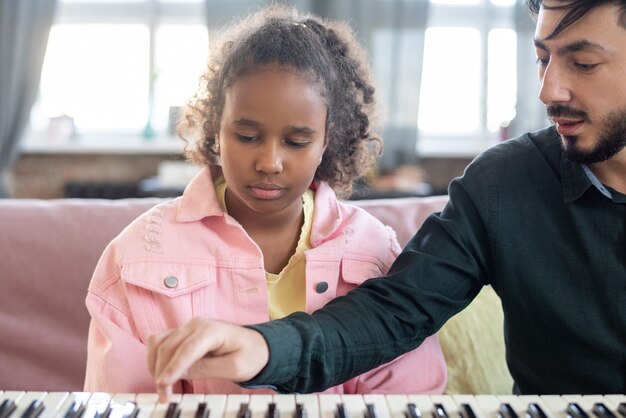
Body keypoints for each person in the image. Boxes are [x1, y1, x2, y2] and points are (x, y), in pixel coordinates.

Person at [146, 0, 626, 399]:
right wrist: (264, 348)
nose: (549, 90)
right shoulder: (506, 183)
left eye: (582, 63)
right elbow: (390, 314)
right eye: (543, 58)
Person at [84, 5, 447, 395]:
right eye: (247, 136)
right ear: (216, 130)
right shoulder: (137, 254)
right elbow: (120, 402)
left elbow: (408, 397)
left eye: (296, 142)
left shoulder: (372, 249)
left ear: (328, 141)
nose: (269, 162)